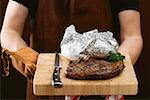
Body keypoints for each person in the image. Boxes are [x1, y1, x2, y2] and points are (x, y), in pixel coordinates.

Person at [0, 0, 143, 100]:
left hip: (100, 89)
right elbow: (10, 30)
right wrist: (30, 60)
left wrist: (113, 69)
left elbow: (132, 35)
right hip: (47, 87)